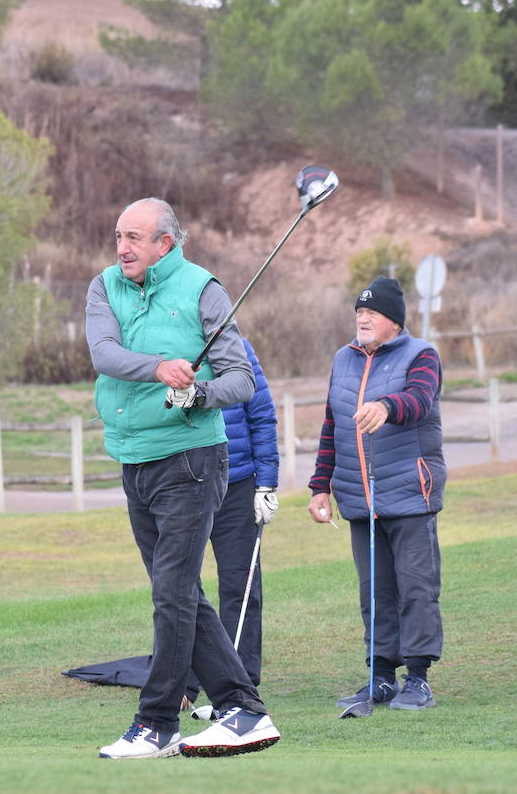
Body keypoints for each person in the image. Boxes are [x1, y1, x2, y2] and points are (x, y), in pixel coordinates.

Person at [86, 197, 280, 759]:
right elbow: (103, 353)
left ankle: (157, 722)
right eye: (118, 236)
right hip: (134, 457)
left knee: (172, 594)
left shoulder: (203, 290)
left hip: (192, 459)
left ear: (163, 244)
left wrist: (198, 392)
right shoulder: (105, 287)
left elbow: (241, 380)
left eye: (133, 238)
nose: (121, 248)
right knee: (180, 595)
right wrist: (157, 367)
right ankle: (242, 709)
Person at [308, 275, 447, 711]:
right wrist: (319, 487)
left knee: (415, 589)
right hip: (359, 499)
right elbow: (332, 425)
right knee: (375, 591)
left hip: (409, 492)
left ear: (394, 321)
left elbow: (420, 399)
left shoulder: (421, 355)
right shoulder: (343, 359)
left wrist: (386, 406)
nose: (363, 318)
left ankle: (418, 678)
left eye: (373, 312)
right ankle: (381, 676)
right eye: (359, 311)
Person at [184, 337, 279, 718]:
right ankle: (186, 683)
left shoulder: (237, 348)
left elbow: (262, 414)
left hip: (239, 482)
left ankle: (241, 685)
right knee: (180, 587)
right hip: (187, 480)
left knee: (241, 587)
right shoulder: (162, 348)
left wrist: (267, 482)